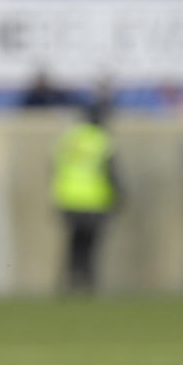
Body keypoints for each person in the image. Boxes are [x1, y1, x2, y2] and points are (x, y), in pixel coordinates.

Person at [50, 101, 121, 292]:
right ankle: (88, 281)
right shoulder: (101, 140)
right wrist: (119, 195)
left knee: (74, 242)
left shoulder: (69, 138)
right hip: (93, 199)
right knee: (90, 243)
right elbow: (111, 171)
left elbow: (55, 167)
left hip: (67, 198)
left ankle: (70, 280)